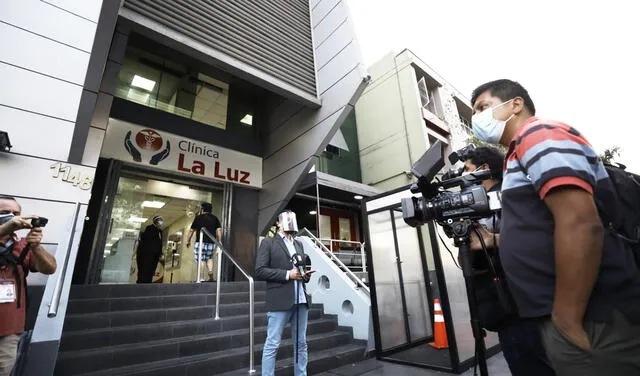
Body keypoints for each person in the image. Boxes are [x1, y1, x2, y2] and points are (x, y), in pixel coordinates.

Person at [470, 79, 640, 375]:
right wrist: (496, 239)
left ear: (516, 104)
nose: (477, 119)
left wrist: (568, 316)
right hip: (565, 313)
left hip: (592, 316)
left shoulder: (536, 133)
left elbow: (580, 221)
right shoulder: (517, 155)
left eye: (483, 107)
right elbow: (545, 225)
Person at [467, 147, 556, 376]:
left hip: (520, 308)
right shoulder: (480, 207)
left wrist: (492, 240)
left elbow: (540, 237)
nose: (463, 179)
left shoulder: (508, 196)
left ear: (483, 169)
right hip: (504, 308)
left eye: (467, 171)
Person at [0, 196, 57, 376]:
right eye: (5, 212)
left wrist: (36, 247)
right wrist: (3, 229)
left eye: (16, 213)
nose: (12, 216)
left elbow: (50, 268)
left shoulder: (21, 244)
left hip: (9, 327)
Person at [255, 211, 313, 376]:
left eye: (292, 219)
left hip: (301, 299)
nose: (289, 222)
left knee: (301, 343)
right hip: (280, 299)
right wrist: (288, 274)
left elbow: (300, 271)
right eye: (286, 220)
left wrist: (305, 275)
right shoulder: (268, 242)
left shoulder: (299, 244)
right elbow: (259, 270)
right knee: (272, 343)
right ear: (278, 223)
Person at [186, 203, 222, 282]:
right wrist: (219, 242)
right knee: (209, 258)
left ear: (202, 209)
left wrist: (188, 241)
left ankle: (201, 278)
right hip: (211, 242)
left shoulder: (198, 218)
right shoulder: (215, 218)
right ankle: (210, 275)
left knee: (201, 259)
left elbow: (191, 230)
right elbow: (218, 230)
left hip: (200, 242)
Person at [136, 215, 164, 284]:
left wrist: (160, 253)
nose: (160, 222)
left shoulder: (160, 231)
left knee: (151, 271)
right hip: (147, 255)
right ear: (155, 221)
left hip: (155, 256)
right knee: (144, 271)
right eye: (159, 220)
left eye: (161, 220)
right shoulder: (150, 228)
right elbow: (147, 241)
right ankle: (141, 284)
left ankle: (148, 283)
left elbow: (159, 244)